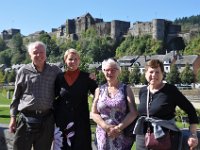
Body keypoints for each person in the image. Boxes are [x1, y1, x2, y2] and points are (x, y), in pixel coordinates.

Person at [134, 59, 199, 150]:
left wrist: (193, 135)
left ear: (162, 74)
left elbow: (190, 110)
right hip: (142, 137)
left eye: (157, 72)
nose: (154, 75)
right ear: (145, 73)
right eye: (151, 72)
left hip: (165, 138)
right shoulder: (143, 91)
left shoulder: (171, 90)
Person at [9, 41, 61, 150]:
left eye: (41, 52)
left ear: (46, 54)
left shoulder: (55, 71)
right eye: (35, 52)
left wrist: (87, 77)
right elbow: (16, 96)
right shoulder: (23, 71)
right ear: (30, 55)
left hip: (46, 120)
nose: (39, 55)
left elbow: (69, 80)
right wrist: (13, 118)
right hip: (25, 118)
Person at [53, 48, 98, 150]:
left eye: (75, 59)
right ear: (65, 60)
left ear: (79, 60)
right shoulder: (59, 78)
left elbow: (98, 93)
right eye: (70, 59)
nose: (73, 62)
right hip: (62, 122)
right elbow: (53, 97)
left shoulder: (87, 77)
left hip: (81, 122)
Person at [91, 58, 138, 150]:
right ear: (103, 71)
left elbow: (133, 112)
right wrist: (106, 127)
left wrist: (118, 128)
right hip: (103, 135)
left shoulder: (126, 89)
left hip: (122, 134)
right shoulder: (99, 90)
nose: (110, 72)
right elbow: (93, 113)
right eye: (107, 70)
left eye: (113, 70)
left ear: (119, 71)